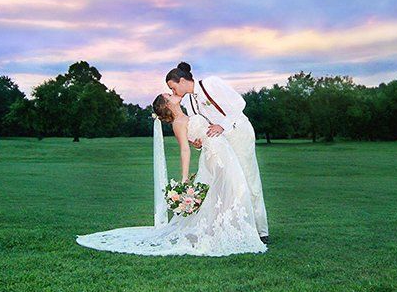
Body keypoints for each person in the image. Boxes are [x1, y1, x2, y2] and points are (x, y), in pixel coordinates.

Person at [75, 93, 266, 256]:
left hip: (221, 150)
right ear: (167, 104)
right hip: (216, 156)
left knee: (226, 192)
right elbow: (184, 150)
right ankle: (230, 231)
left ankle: (225, 229)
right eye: (168, 95)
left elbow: (199, 137)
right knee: (231, 189)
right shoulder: (178, 123)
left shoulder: (189, 114)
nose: (172, 94)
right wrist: (184, 178)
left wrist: (199, 141)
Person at [166, 62, 269, 244]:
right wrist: (198, 144)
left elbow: (239, 103)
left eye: (173, 88)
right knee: (227, 183)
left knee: (248, 178)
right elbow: (202, 127)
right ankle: (237, 227)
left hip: (238, 133)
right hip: (220, 144)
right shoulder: (189, 101)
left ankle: (261, 231)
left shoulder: (211, 83)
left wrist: (223, 125)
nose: (173, 93)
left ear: (181, 80)